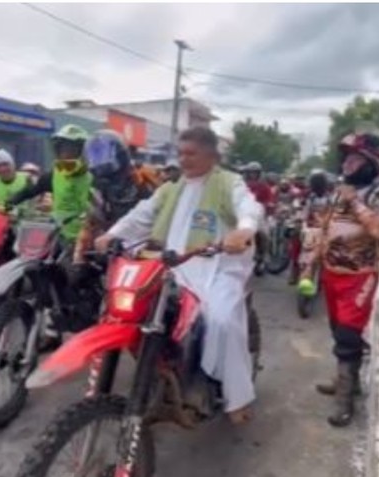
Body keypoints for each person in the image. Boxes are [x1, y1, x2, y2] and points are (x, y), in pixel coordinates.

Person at [94, 126, 263, 424]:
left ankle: (237, 397)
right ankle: (162, 370)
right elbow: (142, 214)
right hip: (172, 266)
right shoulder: (172, 187)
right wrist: (112, 234)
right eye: (181, 153)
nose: (184, 160)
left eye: (191, 154)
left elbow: (248, 206)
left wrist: (244, 229)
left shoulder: (228, 182)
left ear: (212, 155)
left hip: (219, 267)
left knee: (221, 320)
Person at [315, 126, 379, 427]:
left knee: (348, 335)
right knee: (338, 331)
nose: (347, 164)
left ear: (372, 162)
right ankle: (346, 380)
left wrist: (354, 202)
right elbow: (327, 227)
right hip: (331, 274)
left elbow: (377, 229)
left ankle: (345, 399)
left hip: (359, 277)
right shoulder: (340, 193)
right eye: (346, 158)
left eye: (355, 158)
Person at [5, 124, 94, 251]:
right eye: (63, 150)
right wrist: (7, 204)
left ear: (82, 152)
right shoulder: (54, 175)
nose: (67, 155)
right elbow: (31, 191)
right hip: (58, 235)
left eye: (72, 150)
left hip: (85, 239)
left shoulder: (93, 177)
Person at [71, 129, 148, 265]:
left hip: (146, 245)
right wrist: (79, 253)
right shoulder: (98, 189)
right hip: (114, 246)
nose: (101, 165)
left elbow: (164, 209)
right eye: (95, 156)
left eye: (104, 156)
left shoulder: (144, 177)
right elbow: (91, 222)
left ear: (121, 155)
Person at [296, 169, 335, 294]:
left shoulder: (331, 199)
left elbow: (333, 214)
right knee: (297, 245)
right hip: (310, 229)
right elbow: (305, 212)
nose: (316, 185)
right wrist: (301, 221)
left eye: (318, 182)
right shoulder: (310, 197)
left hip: (325, 230)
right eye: (314, 183)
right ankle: (294, 271)